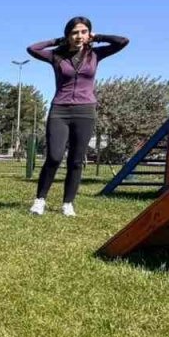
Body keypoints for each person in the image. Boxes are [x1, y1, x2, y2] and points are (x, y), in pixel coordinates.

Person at [25, 16, 128, 217]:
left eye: (83, 32)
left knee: (76, 160)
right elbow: (32, 49)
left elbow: (123, 41)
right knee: (54, 157)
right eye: (74, 32)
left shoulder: (95, 54)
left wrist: (97, 37)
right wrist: (57, 41)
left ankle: (68, 203)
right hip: (59, 110)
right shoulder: (57, 56)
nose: (79, 36)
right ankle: (40, 200)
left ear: (88, 34)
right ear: (68, 35)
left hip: (85, 111)